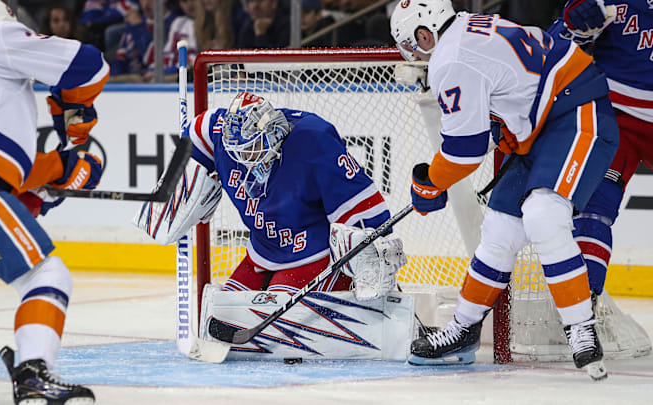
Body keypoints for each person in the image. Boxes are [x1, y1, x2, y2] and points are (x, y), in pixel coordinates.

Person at [390, 0, 619, 380]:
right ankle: (463, 327)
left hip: (576, 110)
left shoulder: (450, 60)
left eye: (411, 46)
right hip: (541, 122)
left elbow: (464, 153)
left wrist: (428, 182)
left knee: (544, 215)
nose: (413, 56)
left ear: (424, 34)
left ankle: (580, 328)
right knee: (499, 230)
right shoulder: (466, 25)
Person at [0, 1, 108, 403]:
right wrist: (71, 105)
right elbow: (89, 64)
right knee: (48, 275)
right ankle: (34, 374)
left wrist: (52, 171)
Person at [137, 91, 405, 302]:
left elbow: (366, 211)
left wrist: (371, 258)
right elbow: (196, 133)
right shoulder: (218, 134)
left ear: (272, 133)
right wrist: (175, 183)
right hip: (263, 252)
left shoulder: (313, 140)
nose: (242, 158)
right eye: (236, 151)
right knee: (223, 314)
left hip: (313, 253)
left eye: (251, 149)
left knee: (271, 320)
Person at [548, 1, 653, 302]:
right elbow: (548, 51)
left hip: (620, 114)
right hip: (619, 118)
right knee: (595, 204)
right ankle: (583, 308)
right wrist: (572, 28)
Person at [109, 0, 176, 82]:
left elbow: (152, 58)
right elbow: (120, 58)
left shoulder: (176, 24)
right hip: (128, 85)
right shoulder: (134, 23)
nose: (146, 3)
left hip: (153, 84)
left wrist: (138, 27)